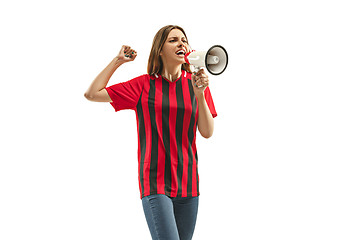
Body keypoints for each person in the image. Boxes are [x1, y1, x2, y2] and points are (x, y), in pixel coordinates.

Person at [84, 25, 217, 240]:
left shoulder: (196, 85)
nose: (181, 43)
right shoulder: (143, 86)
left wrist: (199, 94)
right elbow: (92, 94)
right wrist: (118, 61)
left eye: (184, 40)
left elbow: (207, 132)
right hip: (156, 183)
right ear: (160, 50)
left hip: (189, 184)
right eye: (173, 40)